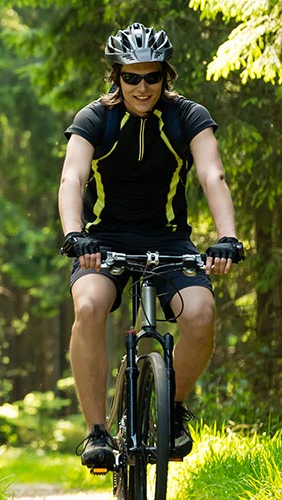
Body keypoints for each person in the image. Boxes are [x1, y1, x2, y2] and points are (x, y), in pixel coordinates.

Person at [58, 23, 245, 469]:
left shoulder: (188, 117)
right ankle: (97, 432)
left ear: (166, 76)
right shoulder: (94, 119)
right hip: (101, 239)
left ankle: (172, 407)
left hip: (169, 240)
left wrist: (227, 236)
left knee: (200, 315)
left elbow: (211, 174)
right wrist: (74, 231)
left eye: (152, 76)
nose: (142, 87)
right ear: (116, 77)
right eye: (131, 77)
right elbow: (72, 177)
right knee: (88, 307)